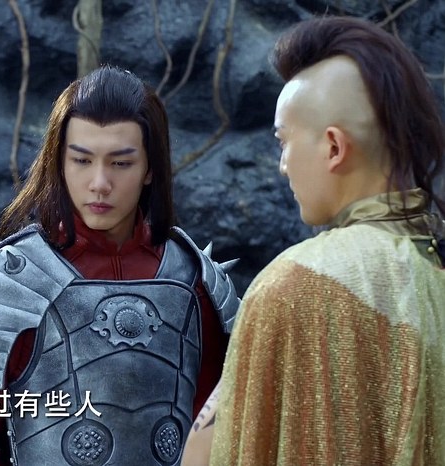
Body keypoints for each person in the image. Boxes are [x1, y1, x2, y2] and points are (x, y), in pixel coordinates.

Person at [0, 65, 240, 465]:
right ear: (60, 162)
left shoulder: (197, 283)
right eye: (82, 160)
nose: (99, 183)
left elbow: (218, 437)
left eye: (121, 163)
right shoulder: (4, 288)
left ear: (150, 169)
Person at [183, 16, 445, 465]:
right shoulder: (434, 281)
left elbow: (203, 454)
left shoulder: (295, 284)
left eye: (284, 141)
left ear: (334, 147)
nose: (283, 165)